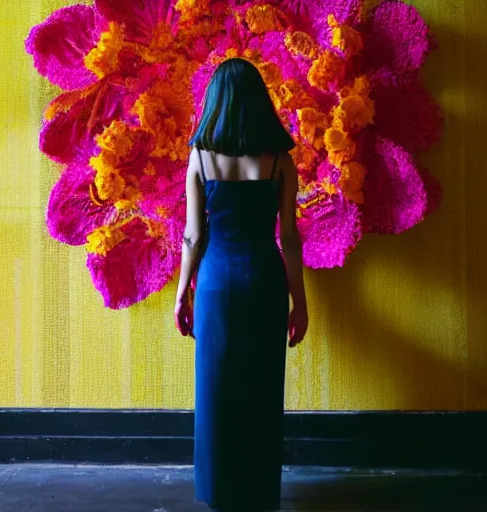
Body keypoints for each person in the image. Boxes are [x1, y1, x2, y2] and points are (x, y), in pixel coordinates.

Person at [174, 58, 308, 511]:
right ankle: (257, 489)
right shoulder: (280, 163)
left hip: (216, 284)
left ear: (216, 102)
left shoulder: (200, 157)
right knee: (262, 386)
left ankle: (219, 491)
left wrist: (181, 294)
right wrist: (300, 304)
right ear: (259, 103)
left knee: (216, 389)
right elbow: (288, 237)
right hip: (266, 282)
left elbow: (193, 235)